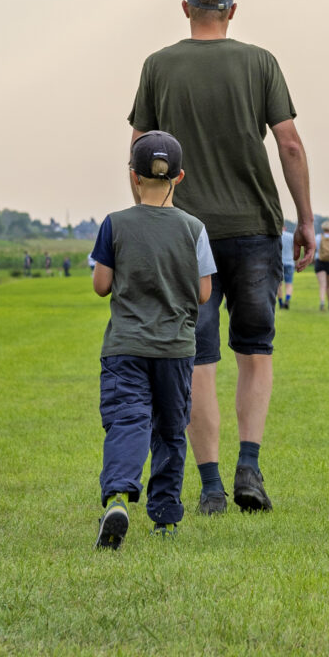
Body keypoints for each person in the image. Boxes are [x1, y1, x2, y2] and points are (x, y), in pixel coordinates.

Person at [128, 0, 316, 517]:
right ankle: (249, 466)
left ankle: (210, 486)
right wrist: (305, 219)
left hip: (185, 234)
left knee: (199, 357)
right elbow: (291, 146)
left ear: (186, 8)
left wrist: (147, 223)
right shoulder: (260, 62)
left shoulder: (158, 66)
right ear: (232, 11)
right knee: (255, 351)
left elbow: (139, 150)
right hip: (255, 227)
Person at [89, 131, 217, 548]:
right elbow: (203, 293)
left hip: (126, 346)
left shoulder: (115, 224)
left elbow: (101, 285)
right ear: (179, 176)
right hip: (175, 350)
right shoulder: (194, 228)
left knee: (128, 419)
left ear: (134, 176)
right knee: (170, 429)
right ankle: (164, 517)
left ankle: (118, 496)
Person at [312, 225, 329, 311]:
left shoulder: (317, 237)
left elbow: (314, 249)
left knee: (322, 285)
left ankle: (322, 302)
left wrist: (312, 260)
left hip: (319, 261)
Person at [277, 227, 296, 311]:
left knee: (279, 285)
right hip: (289, 262)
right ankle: (287, 300)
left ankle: (281, 303)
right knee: (289, 284)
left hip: (278, 263)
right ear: (284, 227)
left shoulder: (276, 236)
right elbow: (295, 249)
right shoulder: (291, 236)